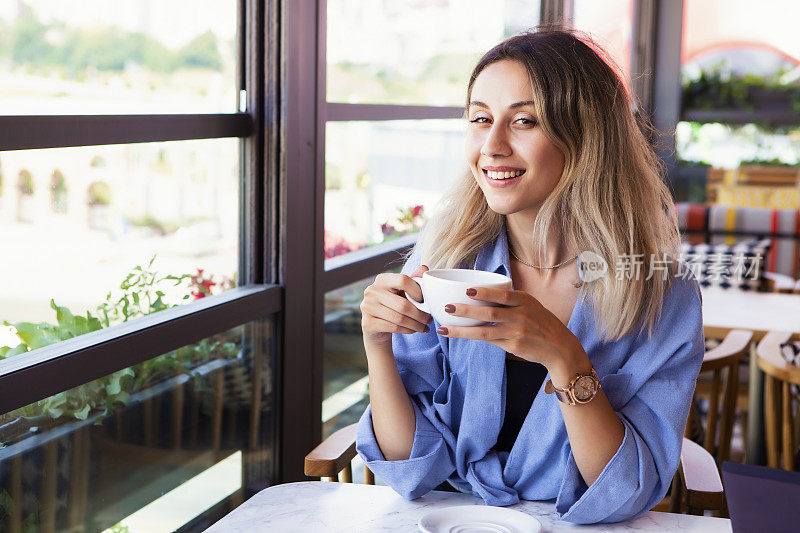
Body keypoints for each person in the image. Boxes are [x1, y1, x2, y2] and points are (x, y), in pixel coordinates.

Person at [355, 26, 704, 525]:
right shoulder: (445, 263)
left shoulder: (660, 291)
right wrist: (377, 347)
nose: (492, 146)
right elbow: (410, 471)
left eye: (525, 121)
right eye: (480, 119)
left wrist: (564, 357)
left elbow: (626, 492)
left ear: (585, 138)